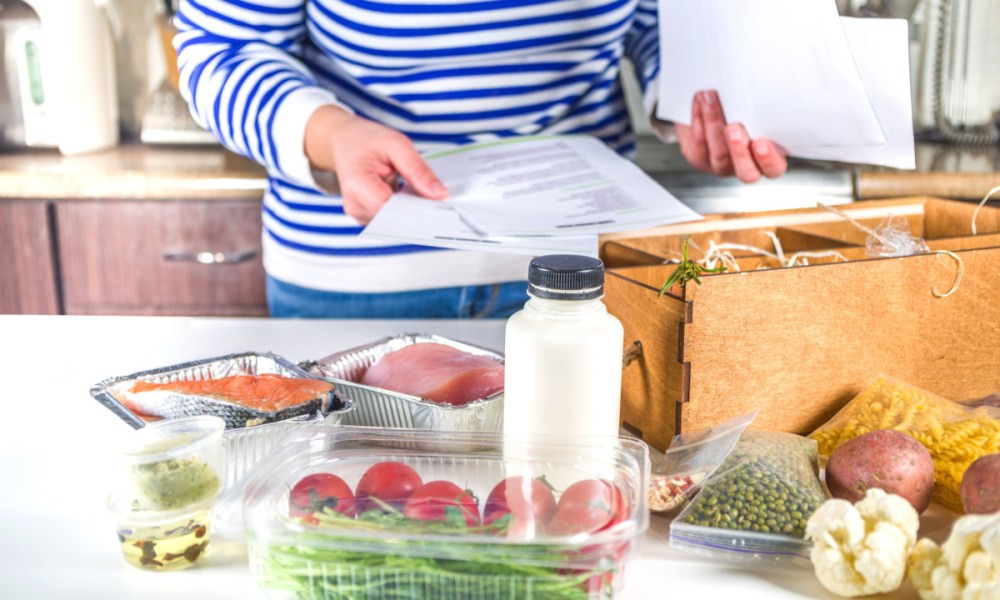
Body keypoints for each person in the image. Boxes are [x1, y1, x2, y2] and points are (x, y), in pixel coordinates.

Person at [174, 0, 787, 319]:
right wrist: (332, 135)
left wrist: (691, 101)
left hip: (580, 274)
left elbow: (660, 23)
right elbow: (220, 50)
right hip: (359, 278)